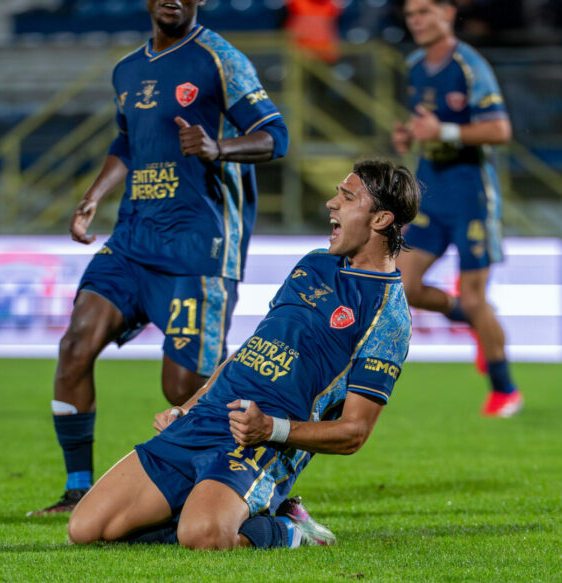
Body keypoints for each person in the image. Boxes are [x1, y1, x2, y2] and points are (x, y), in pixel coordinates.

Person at [66, 159, 418, 550]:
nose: (331, 204)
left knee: (201, 536)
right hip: (206, 417)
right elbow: (250, 351)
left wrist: (270, 429)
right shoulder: (315, 264)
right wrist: (187, 407)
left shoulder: (388, 315)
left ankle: (289, 529)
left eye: (346, 197)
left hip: (260, 441)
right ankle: (214, 507)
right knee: (85, 529)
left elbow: (354, 432)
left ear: (381, 219)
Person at [31, 0, 290, 515]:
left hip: (198, 248)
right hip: (132, 240)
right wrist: (94, 195)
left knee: (183, 386)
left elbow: (274, 136)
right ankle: (78, 488)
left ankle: (266, 481)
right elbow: (126, 142)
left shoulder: (221, 59)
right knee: (75, 345)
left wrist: (218, 148)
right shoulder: (127, 69)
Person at [391, 0, 523, 417]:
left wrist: (444, 130)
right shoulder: (414, 65)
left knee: (474, 292)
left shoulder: (469, 65)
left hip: (471, 198)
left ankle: (505, 391)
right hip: (431, 193)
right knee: (402, 285)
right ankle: (470, 315)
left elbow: (500, 129)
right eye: (411, 14)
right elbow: (427, 124)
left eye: (425, 11)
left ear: (448, 13)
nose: (417, 21)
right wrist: (410, 135)